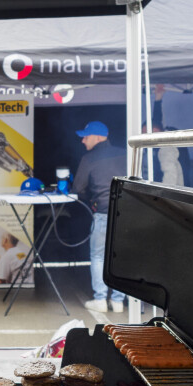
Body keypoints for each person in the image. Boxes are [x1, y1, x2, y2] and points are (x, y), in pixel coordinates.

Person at [73, 120, 127, 314]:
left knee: (98, 256)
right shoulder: (126, 153)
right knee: (120, 258)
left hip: (103, 213)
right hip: (127, 215)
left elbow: (78, 189)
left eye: (85, 137)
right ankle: (119, 301)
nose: (83, 141)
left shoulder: (89, 159)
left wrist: (91, 201)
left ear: (96, 137)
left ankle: (100, 299)